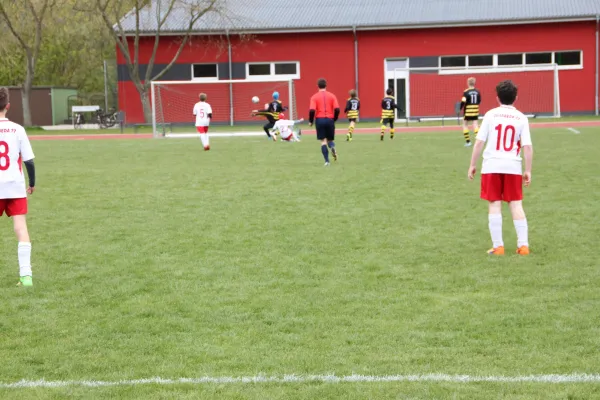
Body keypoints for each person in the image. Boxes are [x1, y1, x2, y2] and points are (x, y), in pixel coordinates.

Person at [468, 80, 532, 256]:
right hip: (513, 165)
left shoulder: (490, 115)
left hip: (492, 165)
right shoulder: (521, 117)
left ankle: (498, 247)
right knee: (516, 204)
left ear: (497, 98)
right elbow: (527, 147)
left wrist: (473, 164)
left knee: (494, 204)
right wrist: (528, 170)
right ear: (515, 98)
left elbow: (479, 142)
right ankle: (523, 246)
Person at [0, 87, 36, 287]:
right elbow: (29, 161)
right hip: (14, 185)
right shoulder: (18, 129)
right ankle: (26, 276)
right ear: (8, 106)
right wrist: (32, 183)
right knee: (20, 228)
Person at [309, 78, 340, 166]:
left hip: (320, 120)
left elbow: (312, 110)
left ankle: (327, 161)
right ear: (326, 85)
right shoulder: (332, 96)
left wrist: (311, 121)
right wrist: (334, 119)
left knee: (323, 141)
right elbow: (337, 109)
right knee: (330, 140)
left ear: (317, 86)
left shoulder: (314, 97)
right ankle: (333, 148)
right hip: (330, 119)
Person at [461, 77, 482, 147]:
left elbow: (463, 101)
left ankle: (468, 142)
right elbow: (479, 101)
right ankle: (479, 140)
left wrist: (460, 108)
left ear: (468, 83)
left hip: (467, 111)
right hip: (475, 110)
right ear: (474, 83)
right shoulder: (478, 91)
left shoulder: (466, 92)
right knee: (475, 125)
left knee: (465, 125)